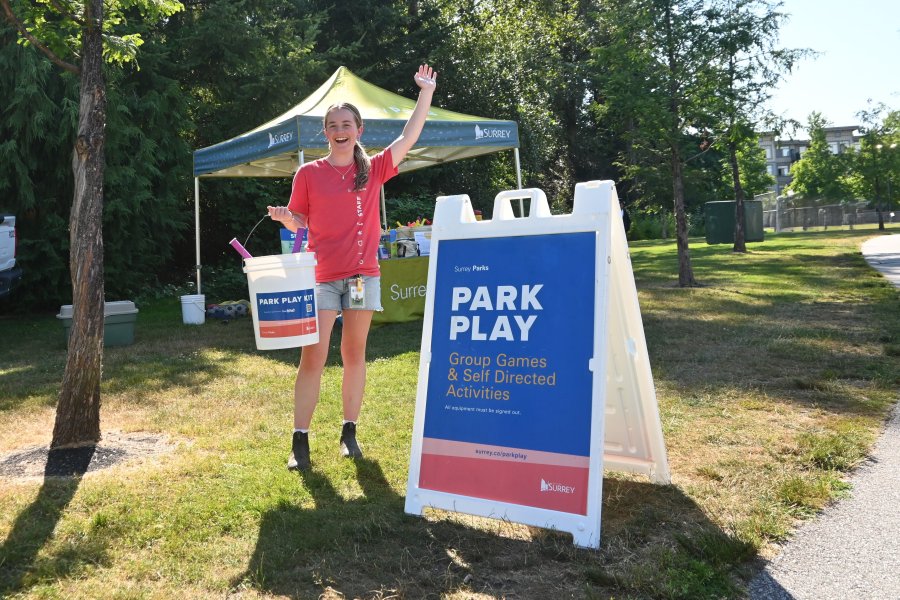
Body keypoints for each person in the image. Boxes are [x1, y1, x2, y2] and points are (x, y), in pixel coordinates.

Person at [267, 64, 437, 471]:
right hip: (322, 278)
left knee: (354, 353)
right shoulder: (308, 173)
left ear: (358, 130)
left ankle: (349, 432)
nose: (339, 130)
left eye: (346, 123)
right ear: (325, 133)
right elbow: (302, 221)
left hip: (363, 277)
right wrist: (285, 218)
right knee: (314, 356)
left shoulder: (374, 168)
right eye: (332, 125)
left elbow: (409, 137)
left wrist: (425, 93)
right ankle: (300, 440)